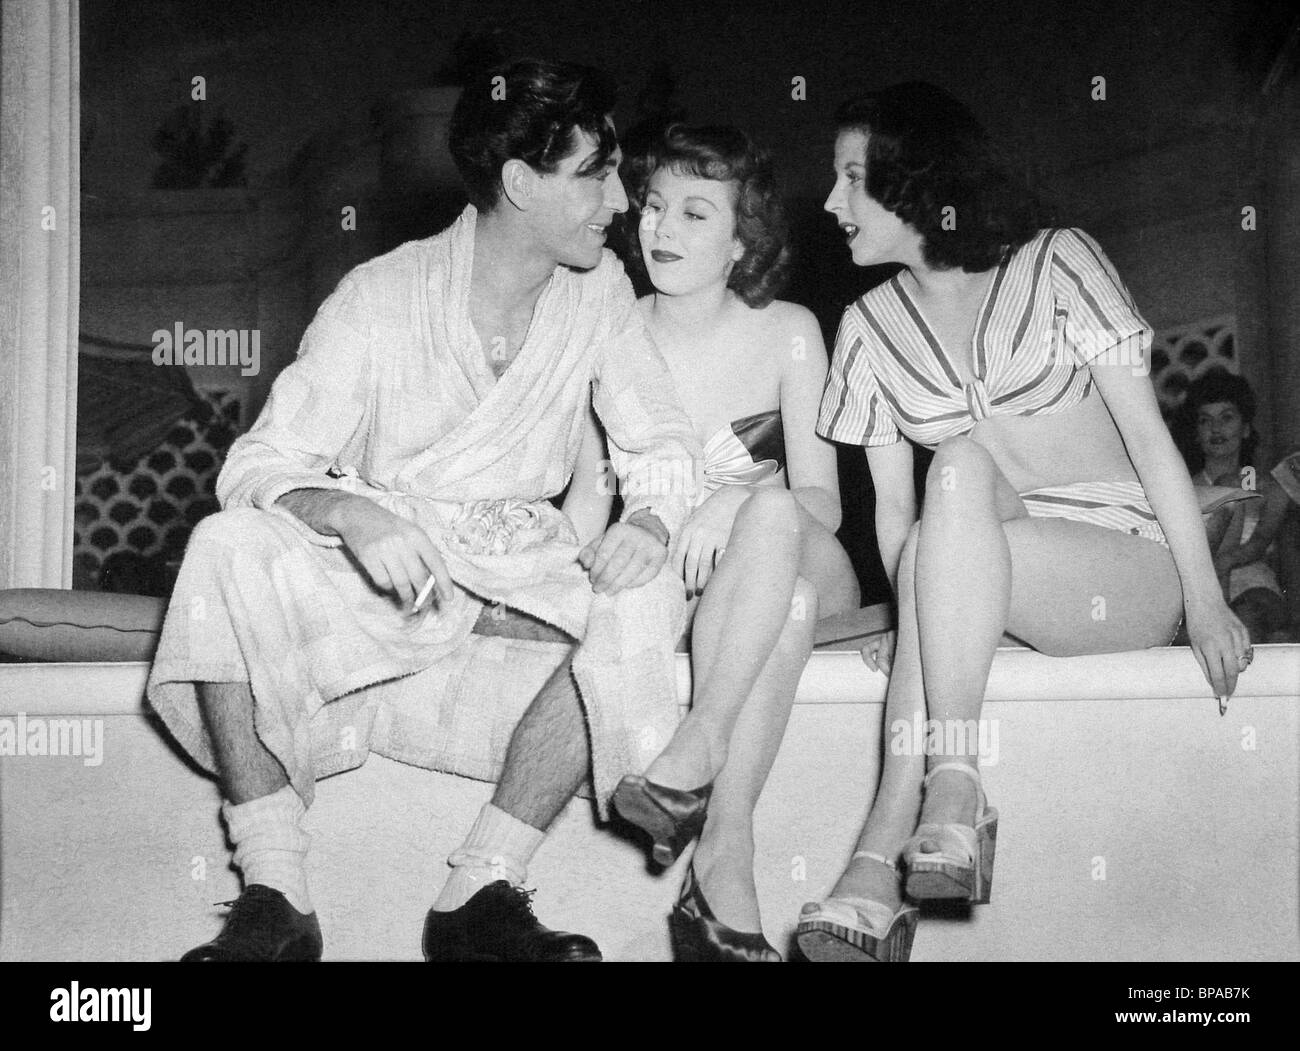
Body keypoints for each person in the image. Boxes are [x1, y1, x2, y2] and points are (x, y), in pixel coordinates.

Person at [146, 59, 701, 962]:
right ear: (521, 183)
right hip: (386, 581)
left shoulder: (599, 294)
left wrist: (648, 523)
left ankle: (483, 885)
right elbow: (257, 464)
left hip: (523, 571)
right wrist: (348, 514)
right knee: (225, 546)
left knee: (644, 590)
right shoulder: (379, 296)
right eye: (597, 173)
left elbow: (664, 443)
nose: (620, 201)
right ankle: (276, 888)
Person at [795, 83, 1250, 963]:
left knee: (954, 487)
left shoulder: (1058, 262)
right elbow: (895, 511)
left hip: (1123, 564)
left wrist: (1205, 597)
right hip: (975, 563)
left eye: (853, 179)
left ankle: (884, 844)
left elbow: (1154, 443)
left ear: (917, 179)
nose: (830, 203)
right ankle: (952, 792)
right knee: (955, 468)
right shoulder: (866, 326)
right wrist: (915, 616)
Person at [566, 124, 860, 960]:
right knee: (783, 607)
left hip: (804, 554)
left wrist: (731, 502)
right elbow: (587, 502)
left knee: (771, 522)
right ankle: (726, 861)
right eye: (654, 207)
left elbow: (822, 504)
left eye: (696, 214)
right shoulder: (608, 335)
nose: (660, 229)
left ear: (742, 241)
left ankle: (699, 740)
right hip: (713, 604)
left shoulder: (792, 329)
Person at [1184, 370, 1291, 643]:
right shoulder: (1183, 489)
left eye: (1227, 417)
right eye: (1205, 420)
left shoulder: (1267, 485)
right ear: (1196, 433)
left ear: (1245, 429)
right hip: (1198, 591)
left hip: (1254, 587)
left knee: (1247, 619)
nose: (1216, 428)